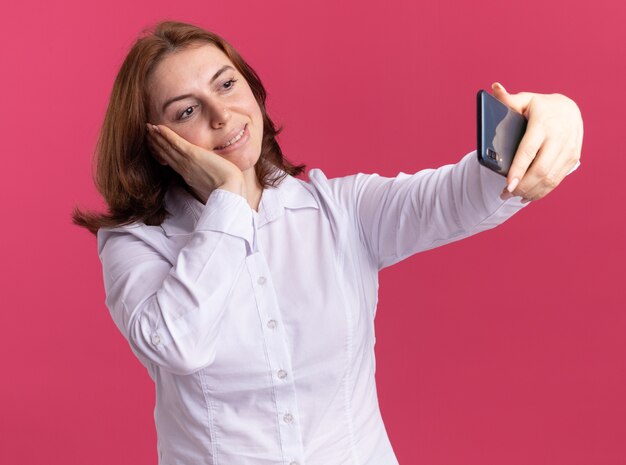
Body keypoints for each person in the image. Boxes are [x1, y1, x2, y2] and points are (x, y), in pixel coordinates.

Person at [72, 19, 583, 465]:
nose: (221, 115)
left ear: (252, 90)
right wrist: (228, 199)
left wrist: (558, 116)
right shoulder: (134, 245)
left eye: (227, 85)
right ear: (159, 145)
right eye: (186, 112)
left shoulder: (341, 210)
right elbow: (179, 343)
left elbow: (461, 196)